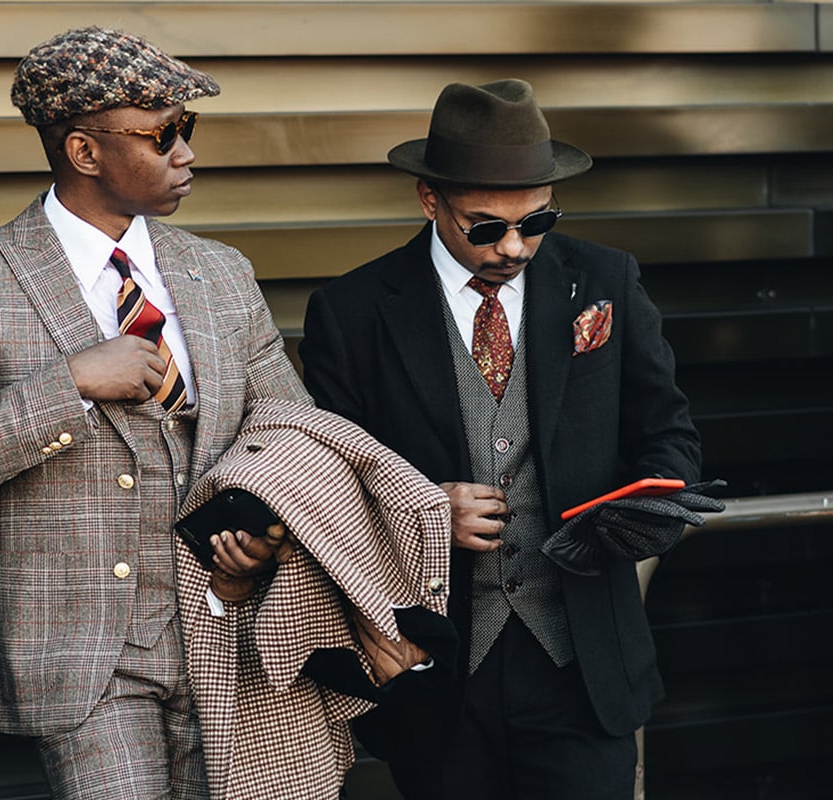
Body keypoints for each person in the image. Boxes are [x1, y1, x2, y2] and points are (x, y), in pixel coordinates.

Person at [0, 27, 309, 799]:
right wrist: (71, 383)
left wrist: (267, 532)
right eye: (162, 135)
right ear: (84, 152)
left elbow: (293, 434)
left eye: (188, 128)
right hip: (86, 658)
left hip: (229, 632)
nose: (187, 153)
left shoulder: (221, 271)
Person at [299, 79, 722, 799]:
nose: (516, 246)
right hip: (435, 670)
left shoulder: (606, 279)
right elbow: (322, 487)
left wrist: (647, 510)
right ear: (429, 200)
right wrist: (421, 511)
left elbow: (669, 435)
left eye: (538, 221)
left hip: (583, 663)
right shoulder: (352, 310)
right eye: (486, 227)